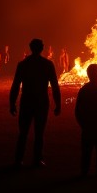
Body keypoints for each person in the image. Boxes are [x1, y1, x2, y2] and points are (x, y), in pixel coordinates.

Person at [9, 38, 62, 168]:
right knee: (39, 132)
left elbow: (16, 85)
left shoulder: (23, 64)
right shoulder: (47, 64)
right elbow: (55, 86)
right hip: (41, 101)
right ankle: (37, 159)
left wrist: (12, 103)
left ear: (30, 48)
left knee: (23, 132)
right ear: (42, 49)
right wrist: (58, 104)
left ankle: (19, 159)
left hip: (27, 100)